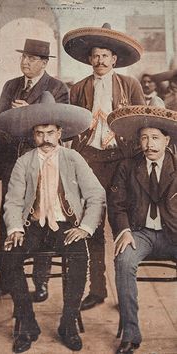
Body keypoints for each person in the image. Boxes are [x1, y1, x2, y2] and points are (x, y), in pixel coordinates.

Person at [0, 91, 106, 353]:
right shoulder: (24, 162)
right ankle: (28, 322)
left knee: (79, 258)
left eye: (50, 132)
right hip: (33, 226)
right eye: (39, 133)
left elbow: (96, 194)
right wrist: (14, 228)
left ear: (60, 133)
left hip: (66, 225)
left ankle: (67, 323)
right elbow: (12, 200)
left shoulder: (73, 158)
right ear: (33, 136)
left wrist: (85, 227)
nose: (45, 139)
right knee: (8, 258)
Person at [62, 23, 145, 311]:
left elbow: (139, 123)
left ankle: (125, 292)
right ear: (89, 59)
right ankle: (97, 289)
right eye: (95, 55)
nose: (100, 61)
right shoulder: (78, 88)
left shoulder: (130, 85)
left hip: (121, 160)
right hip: (91, 160)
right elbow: (71, 128)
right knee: (93, 224)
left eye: (105, 56)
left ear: (115, 59)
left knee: (124, 225)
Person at [0, 39, 69, 299]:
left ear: (44, 63)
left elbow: (58, 129)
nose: (25, 62)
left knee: (41, 218)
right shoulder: (10, 86)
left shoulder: (58, 88)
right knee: (9, 217)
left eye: (32, 58)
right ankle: (5, 278)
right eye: (23, 57)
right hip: (12, 164)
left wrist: (30, 116)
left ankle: (41, 280)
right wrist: (12, 124)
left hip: (43, 164)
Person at [107, 104, 177, 354]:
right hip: (141, 233)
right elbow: (116, 205)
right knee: (124, 260)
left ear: (167, 139)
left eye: (155, 138)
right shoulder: (127, 166)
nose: (149, 144)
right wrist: (124, 231)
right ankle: (131, 333)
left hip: (174, 235)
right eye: (144, 138)